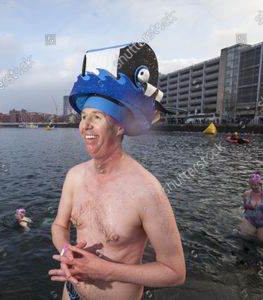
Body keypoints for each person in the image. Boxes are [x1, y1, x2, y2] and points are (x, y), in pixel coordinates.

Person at [49, 42, 185, 300]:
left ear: (120, 127)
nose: (84, 126)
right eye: (83, 116)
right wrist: (67, 250)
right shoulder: (74, 177)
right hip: (71, 293)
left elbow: (175, 272)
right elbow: (58, 225)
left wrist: (106, 270)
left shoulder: (147, 191)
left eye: (96, 117)